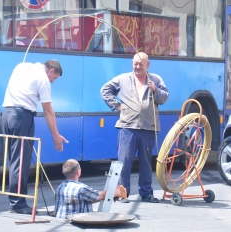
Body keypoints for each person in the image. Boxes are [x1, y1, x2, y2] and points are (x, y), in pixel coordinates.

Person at [100, 52, 169, 203]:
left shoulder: (155, 79)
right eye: (135, 64)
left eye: (141, 64)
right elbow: (105, 90)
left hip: (148, 128)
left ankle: (146, 193)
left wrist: (154, 90)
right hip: (128, 127)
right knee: (124, 161)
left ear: (148, 65)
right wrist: (117, 105)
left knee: (145, 163)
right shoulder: (123, 78)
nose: (137, 67)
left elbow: (164, 97)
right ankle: (122, 193)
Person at [2, 59, 68, 214]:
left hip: (6, 114)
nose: (52, 82)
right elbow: (48, 110)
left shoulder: (21, 66)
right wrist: (56, 136)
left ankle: (15, 200)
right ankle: (18, 203)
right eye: (54, 78)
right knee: (21, 161)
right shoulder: (43, 79)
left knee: (13, 160)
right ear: (51, 71)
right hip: (21, 117)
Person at [54, 159, 126, 219]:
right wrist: (117, 192)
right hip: (75, 225)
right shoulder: (81, 189)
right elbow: (100, 196)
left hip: (62, 222)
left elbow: (83, 199)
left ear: (63, 172)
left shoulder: (60, 187)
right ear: (78, 172)